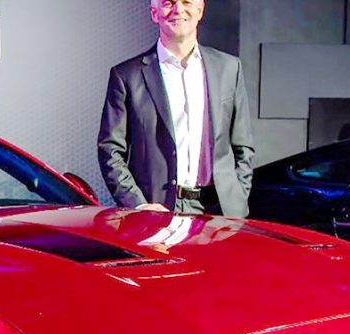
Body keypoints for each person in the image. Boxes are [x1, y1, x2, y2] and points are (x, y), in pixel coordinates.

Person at [98, 0, 254, 217]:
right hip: (158, 210)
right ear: (154, 13)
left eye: (186, 2)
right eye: (168, 3)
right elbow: (110, 150)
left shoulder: (229, 68)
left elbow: (243, 146)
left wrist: (238, 195)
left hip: (222, 211)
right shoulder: (127, 76)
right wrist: (138, 205)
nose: (178, 9)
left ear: (200, 10)